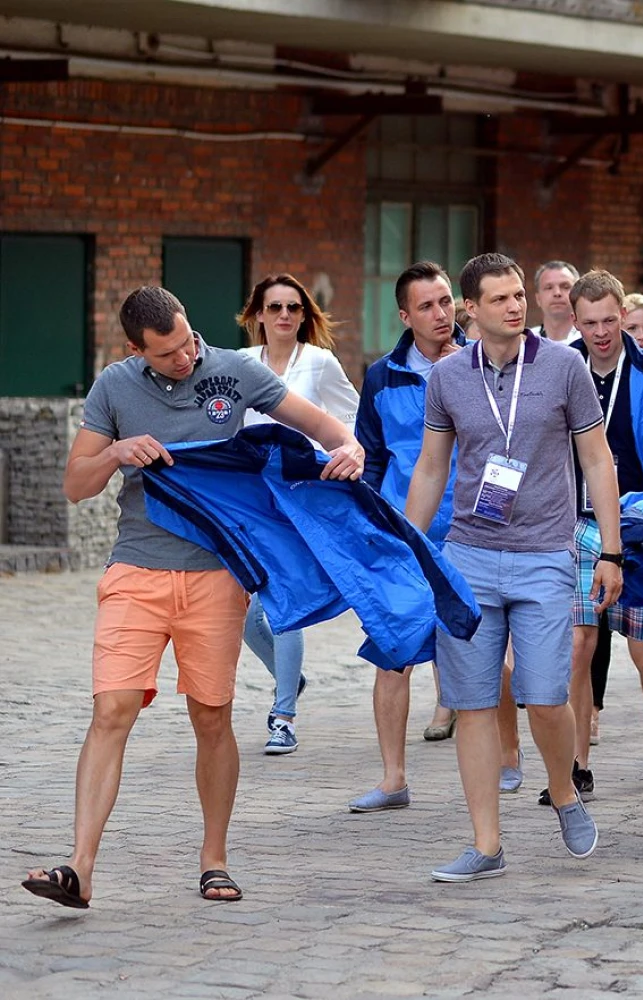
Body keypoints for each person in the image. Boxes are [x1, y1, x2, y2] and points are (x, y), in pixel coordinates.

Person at [22, 286, 364, 910]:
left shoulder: (234, 371)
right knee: (111, 711)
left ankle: (214, 859)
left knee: (211, 717)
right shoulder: (114, 388)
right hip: (135, 570)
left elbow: (321, 425)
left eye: (187, 342)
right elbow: (75, 484)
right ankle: (79, 868)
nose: (185, 357)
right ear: (136, 350)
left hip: (215, 577)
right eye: (168, 353)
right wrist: (116, 452)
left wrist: (349, 447)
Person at [405, 252, 620, 879]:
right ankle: (487, 845)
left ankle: (563, 789)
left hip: (546, 553)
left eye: (519, 295)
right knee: (473, 702)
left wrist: (611, 550)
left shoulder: (564, 365)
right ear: (471, 309)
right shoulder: (447, 377)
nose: (515, 306)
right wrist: (410, 551)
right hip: (469, 555)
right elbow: (431, 468)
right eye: (499, 299)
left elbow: (597, 460)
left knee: (546, 694)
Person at [348, 261, 469, 812]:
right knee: (393, 655)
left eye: (446, 301)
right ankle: (393, 778)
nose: (441, 314)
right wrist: (373, 523)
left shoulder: (482, 362)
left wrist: (464, 373)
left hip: (472, 533)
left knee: (485, 658)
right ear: (405, 316)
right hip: (405, 535)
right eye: (427, 306)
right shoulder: (382, 376)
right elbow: (373, 457)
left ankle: (505, 763)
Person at [562, 270, 643, 798]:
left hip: (641, 525)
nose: (601, 332)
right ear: (574, 321)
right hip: (576, 522)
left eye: (609, 321)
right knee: (578, 644)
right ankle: (575, 765)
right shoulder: (561, 368)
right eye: (589, 322)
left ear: (623, 314)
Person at [235, 273, 359, 756]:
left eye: (294, 307)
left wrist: (337, 461)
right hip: (250, 500)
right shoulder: (241, 363)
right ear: (258, 315)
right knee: (244, 614)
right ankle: (289, 676)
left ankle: (283, 716)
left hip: (300, 498)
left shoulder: (320, 362)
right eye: (275, 307)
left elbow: (350, 420)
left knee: (284, 602)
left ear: (304, 315)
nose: (285, 315)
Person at [532, 260, 581, 344]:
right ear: (538, 298)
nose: (557, 293)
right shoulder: (526, 341)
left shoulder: (589, 340)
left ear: (578, 295)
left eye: (565, 287)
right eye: (549, 287)